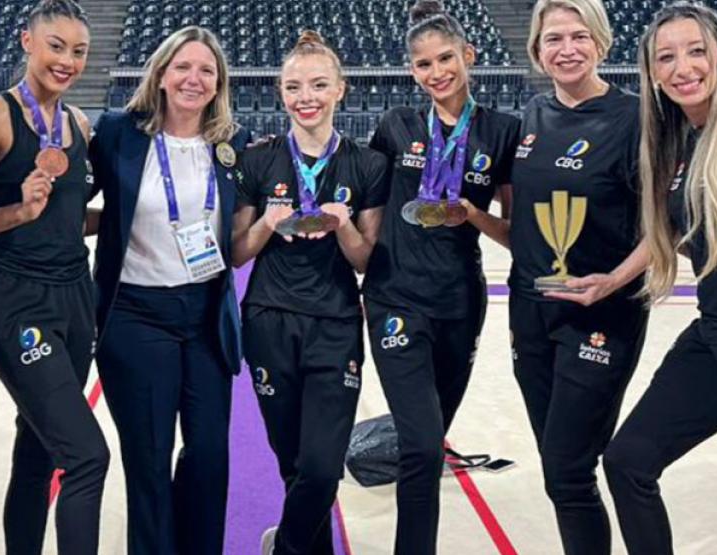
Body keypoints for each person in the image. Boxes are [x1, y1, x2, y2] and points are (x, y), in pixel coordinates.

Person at [600, 3, 717, 553]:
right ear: (651, 72)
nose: (683, 67)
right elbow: (671, 229)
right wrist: (609, 281)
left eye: (696, 50)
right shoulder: (677, 142)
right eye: (666, 57)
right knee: (627, 461)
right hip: (716, 332)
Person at [361, 1, 520, 553]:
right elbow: (369, 210)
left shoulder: (503, 132)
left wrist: (473, 215)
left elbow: (515, 236)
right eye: (424, 64)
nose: (437, 72)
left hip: (459, 301)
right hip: (395, 296)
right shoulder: (395, 126)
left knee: (428, 440)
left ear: (468, 55)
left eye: (446, 58)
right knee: (424, 445)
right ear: (412, 71)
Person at [89, 26, 249, 555]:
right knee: (149, 459)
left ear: (219, 83)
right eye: (182, 66)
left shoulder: (233, 144)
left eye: (206, 70)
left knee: (207, 454)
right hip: (136, 316)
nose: (193, 78)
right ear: (159, 74)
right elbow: (72, 198)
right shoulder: (117, 134)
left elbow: (243, 228)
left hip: (205, 315)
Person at [0, 1, 109, 553]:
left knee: (39, 447)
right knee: (88, 456)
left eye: (78, 51)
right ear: (27, 42)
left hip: (74, 295)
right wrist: (17, 212)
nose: (67, 60)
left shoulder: (79, 123)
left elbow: (70, 215)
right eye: (56, 46)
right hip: (16, 298)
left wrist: (122, 216)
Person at [232, 30, 388, 555]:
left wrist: (344, 227)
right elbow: (235, 252)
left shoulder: (367, 164)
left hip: (336, 322)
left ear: (340, 90)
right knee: (292, 463)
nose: (307, 97)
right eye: (295, 86)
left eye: (319, 85)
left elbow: (366, 259)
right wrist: (266, 227)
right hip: (270, 320)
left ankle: (285, 548)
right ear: (281, 93)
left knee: (322, 467)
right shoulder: (260, 160)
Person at [505, 1, 650, 553]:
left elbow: (669, 226)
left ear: (602, 42)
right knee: (559, 472)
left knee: (569, 468)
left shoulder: (637, 118)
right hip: (530, 311)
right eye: (552, 39)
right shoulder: (533, 115)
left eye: (578, 36)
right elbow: (522, 222)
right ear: (537, 51)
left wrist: (612, 280)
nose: (566, 49)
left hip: (602, 313)